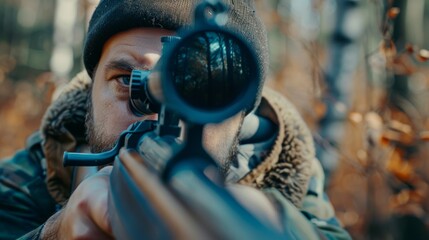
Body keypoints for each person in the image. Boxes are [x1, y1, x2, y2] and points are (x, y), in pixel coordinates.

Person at [0, 0, 351, 239]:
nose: (156, 111)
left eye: (204, 85)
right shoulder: (27, 178)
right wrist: (53, 233)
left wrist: (272, 221)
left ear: (243, 111)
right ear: (91, 91)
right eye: (127, 80)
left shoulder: (292, 185)